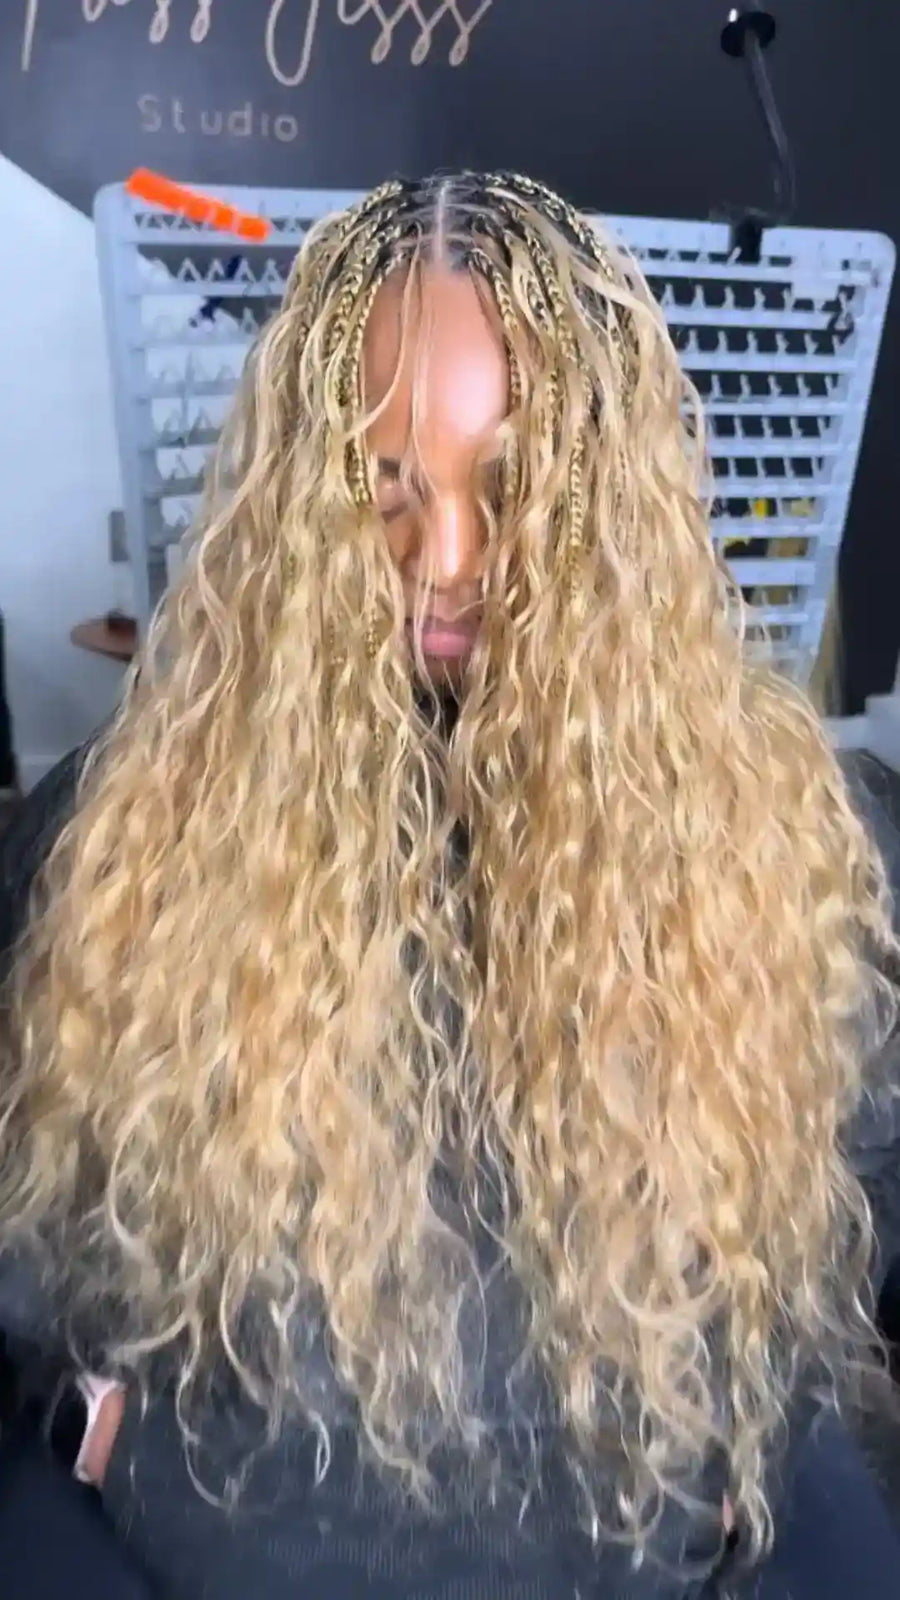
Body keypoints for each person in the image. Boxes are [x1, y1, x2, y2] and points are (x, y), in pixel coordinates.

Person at [2, 169, 900, 1599]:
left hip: (639, 1541)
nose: (450, 563)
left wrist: (750, 1441)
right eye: (384, 484)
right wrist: (88, 1424)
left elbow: (845, 1207)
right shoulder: (117, 832)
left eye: (517, 483)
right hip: (223, 1534)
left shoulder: (789, 838)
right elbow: (35, 1241)